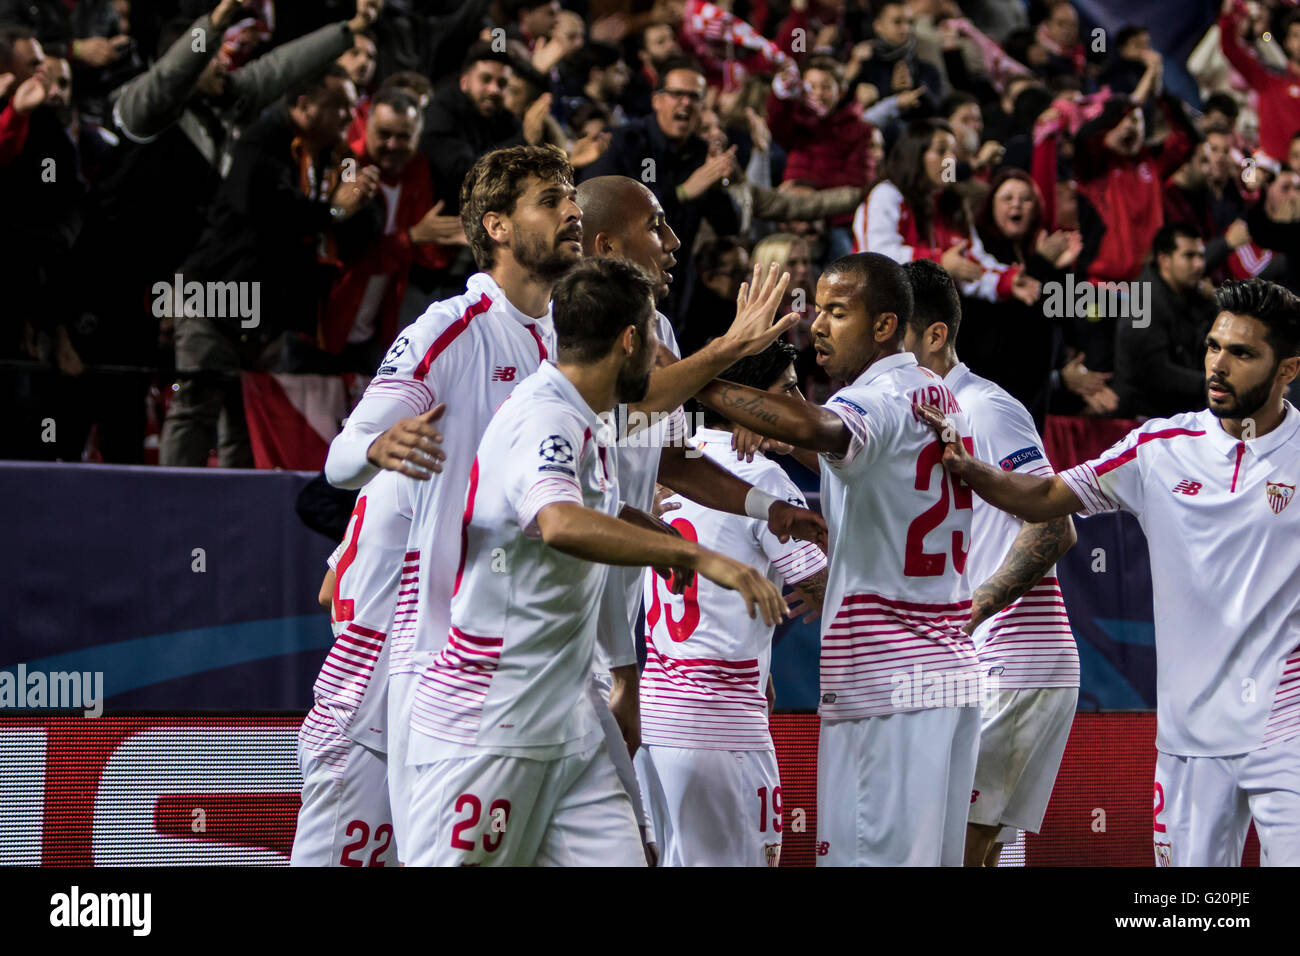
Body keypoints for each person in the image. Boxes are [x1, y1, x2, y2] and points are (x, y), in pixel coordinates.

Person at [403, 257, 788, 866]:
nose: (662, 356)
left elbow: (606, 485)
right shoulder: (547, 416)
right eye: (656, 339)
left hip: (568, 722)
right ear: (632, 341)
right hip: (489, 719)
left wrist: (646, 524)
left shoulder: (591, 415)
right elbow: (558, 520)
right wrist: (692, 553)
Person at [918, 276, 1300, 867]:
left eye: (1242, 354)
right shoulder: (1157, 447)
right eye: (1213, 347)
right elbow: (1047, 497)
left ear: (1287, 370)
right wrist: (970, 468)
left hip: (1287, 731)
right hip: (1189, 741)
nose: (1218, 366)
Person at [694, 252, 982, 866]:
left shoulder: (874, 398)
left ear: (884, 325)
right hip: (945, 671)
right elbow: (861, 459)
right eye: (818, 310)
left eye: (837, 312)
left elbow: (828, 431)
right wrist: (783, 435)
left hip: (887, 681)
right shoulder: (935, 392)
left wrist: (700, 380)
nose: (817, 325)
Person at [901, 259, 1078, 868]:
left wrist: (972, 611)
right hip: (986, 659)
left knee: (958, 845)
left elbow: (1055, 523)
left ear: (935, 335)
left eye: (894, 338)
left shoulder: (986, 408)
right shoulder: (928, 416)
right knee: (982, 850)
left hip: (1015, 658)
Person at [638, 340, 828, 866]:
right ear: (746, 399)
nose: (798, 402)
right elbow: (822, 590)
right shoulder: (763, 478)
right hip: (720, 726)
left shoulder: (670, 462)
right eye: (786, 389)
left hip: (654, 717)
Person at [159, 67, 380, 468]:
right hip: (217, 296)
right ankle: (170, 497)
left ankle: (238, 502)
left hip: (269, 314)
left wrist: (360, 203)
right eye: (339, 107)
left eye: (353, 107)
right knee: (196, 408)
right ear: (304, 105)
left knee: (249, 418)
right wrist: (332, 211)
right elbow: (270, 211)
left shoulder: (336, 156)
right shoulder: (263, 140)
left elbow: (353, 228)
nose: (350, 117)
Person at [291, 470, 407, 867]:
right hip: (361, 714)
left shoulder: (376, 484)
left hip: (351, 703)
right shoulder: (418, 488)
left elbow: (328, 592)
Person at [580, 58, 741, 319]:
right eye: (677, 94)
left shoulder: (702, 154)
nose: (686, 103)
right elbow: (591, 205)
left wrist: (719, 183)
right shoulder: (624, 142)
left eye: (694, 97)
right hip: (622, 281)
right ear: (657, 100)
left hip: (678, 281)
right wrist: (683, 192)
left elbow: (728, 226)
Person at [1114, 224, 1219, 419]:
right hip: (1143, 417)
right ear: (1164, 260)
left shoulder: (1196, 296)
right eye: (1189, 256)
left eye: (1201, 256)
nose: (1199, 265)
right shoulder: (1142, 300)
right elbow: (1154, 373)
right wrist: (1212, 383)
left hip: (1181, 413)